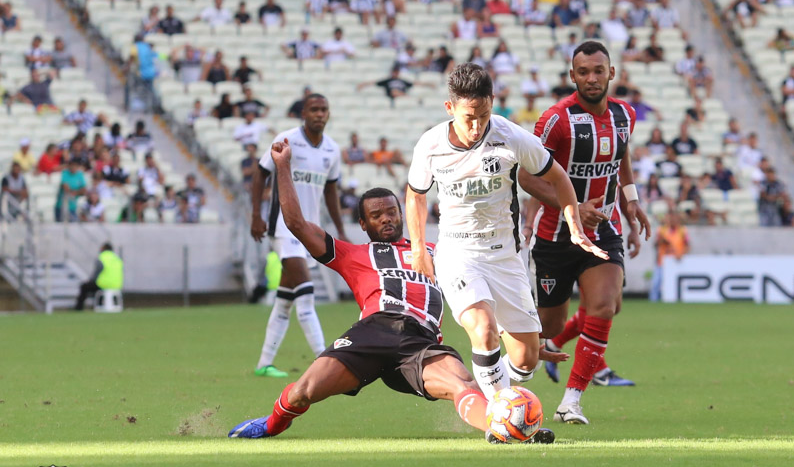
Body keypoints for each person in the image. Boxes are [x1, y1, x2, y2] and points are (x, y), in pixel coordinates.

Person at [228, 141, 555, 445]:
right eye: (376, 215)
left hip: (421, 339)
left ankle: (504, 428)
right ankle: (271, 424)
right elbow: (297, 223)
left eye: (391, 212)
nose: (386, 219)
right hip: (371, 333)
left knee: (463, 384)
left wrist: (518, 337)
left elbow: (479, 293)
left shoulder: (439, 252)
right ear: (363, 224)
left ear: (403, 214)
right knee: (302, 392)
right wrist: (283, 167)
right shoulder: (352, 255)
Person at [406, 63, 598, 401]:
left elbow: (559, 179)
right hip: (458, 254)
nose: (477, 125)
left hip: (506, 255)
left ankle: (479, 390)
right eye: (469, 117)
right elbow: (415, 196)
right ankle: (501, 415)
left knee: (526, 360)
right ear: (450, 109)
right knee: (483, 330)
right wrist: (420, 249)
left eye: (483, 114)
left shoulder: (511, 136)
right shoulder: (431, 145)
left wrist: (574, 224)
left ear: (492, 101)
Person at [519, 41, 651, 424]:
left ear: (612, 73)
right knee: (549, 328)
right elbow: (527, 177)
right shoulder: (556, 120)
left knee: (606, 306)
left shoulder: (625, 114)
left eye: (598, 70)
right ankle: (505, 364)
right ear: (572, 76)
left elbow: (621, 156)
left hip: (604, 228)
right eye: (583, 72)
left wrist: (630, 201)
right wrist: (573, 207)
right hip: (556, 235)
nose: (591, 78)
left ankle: (571, 401)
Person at [249, 94, 349, 378]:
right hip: (283, 225)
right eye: (314, 109)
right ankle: (325, 361)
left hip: (310, 230)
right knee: (306, 294)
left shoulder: (332, 149)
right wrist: (255, 215)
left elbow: (330, 190)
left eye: (324, 110)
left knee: (285, 299)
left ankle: (263, 364)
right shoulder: (287, 139)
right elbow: (259, 174)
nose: (319, 114)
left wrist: (340, 230)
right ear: (303, 113)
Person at [649, 210, 689, 301]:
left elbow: (687, 245)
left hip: (677, 261)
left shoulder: (683, 230)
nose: (673, 220)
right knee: (656, 283)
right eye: (671, 218)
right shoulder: (662, 230)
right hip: (662, 261)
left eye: (675, 218)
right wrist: (662, 241)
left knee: (672, 284)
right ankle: (652, 303)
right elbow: (655, 244)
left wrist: (681, 254)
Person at [75, 243, 124, 310]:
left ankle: (78, 308)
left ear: (103, 249)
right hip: (117, 285)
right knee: (99, 289)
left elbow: (96, 273)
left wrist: (90, 281)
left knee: (84, 286)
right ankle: (101, 305)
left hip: (104, 284)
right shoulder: (117, 259)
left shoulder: (102, 257)